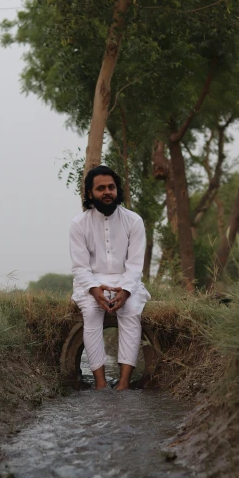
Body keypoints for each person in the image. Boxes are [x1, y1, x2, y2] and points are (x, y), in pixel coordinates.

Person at [69, 165, 151, 391]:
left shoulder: (133, 221)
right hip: (91, 284)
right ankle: (100, 383)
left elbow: (135, 265)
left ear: (117, 190)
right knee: (92, 313)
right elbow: (80, 267)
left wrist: (125, 291)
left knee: (131, 310)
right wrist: (95, 291)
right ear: (90, 193)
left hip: (126, 282)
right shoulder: (79, 224)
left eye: (111, 187)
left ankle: (124, 383)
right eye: (101, 188)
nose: (107, 192)